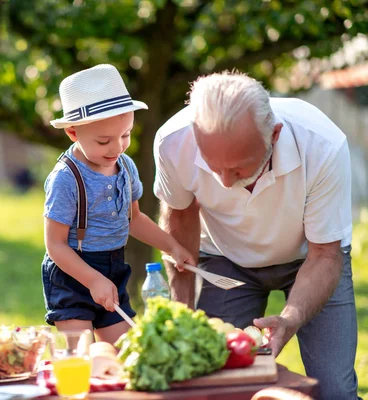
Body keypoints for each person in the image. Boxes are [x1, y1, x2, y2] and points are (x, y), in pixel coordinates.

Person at [153, 71, 358, 399]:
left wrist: (289, 320)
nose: (222, 181)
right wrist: (183, 314)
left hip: (312, 259)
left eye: (238, 169)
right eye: (212, 164)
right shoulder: (172, 141)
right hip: (225, 260)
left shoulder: (323, 145)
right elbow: (181, 215)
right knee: (215, 383)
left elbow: (325, 253)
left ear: (274, 135)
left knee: (333, 390)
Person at [42, 64, 195, 344]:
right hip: (73, 273)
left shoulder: (125, 166)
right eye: (104, 141)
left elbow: (134, 220)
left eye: (126, 135)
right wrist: (92, 280)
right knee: (84, 359)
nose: (117, 148)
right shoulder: (66, 179)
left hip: (113, 267)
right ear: (73, 133)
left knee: (125, 353)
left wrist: (172, 246)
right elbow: (56, 246)